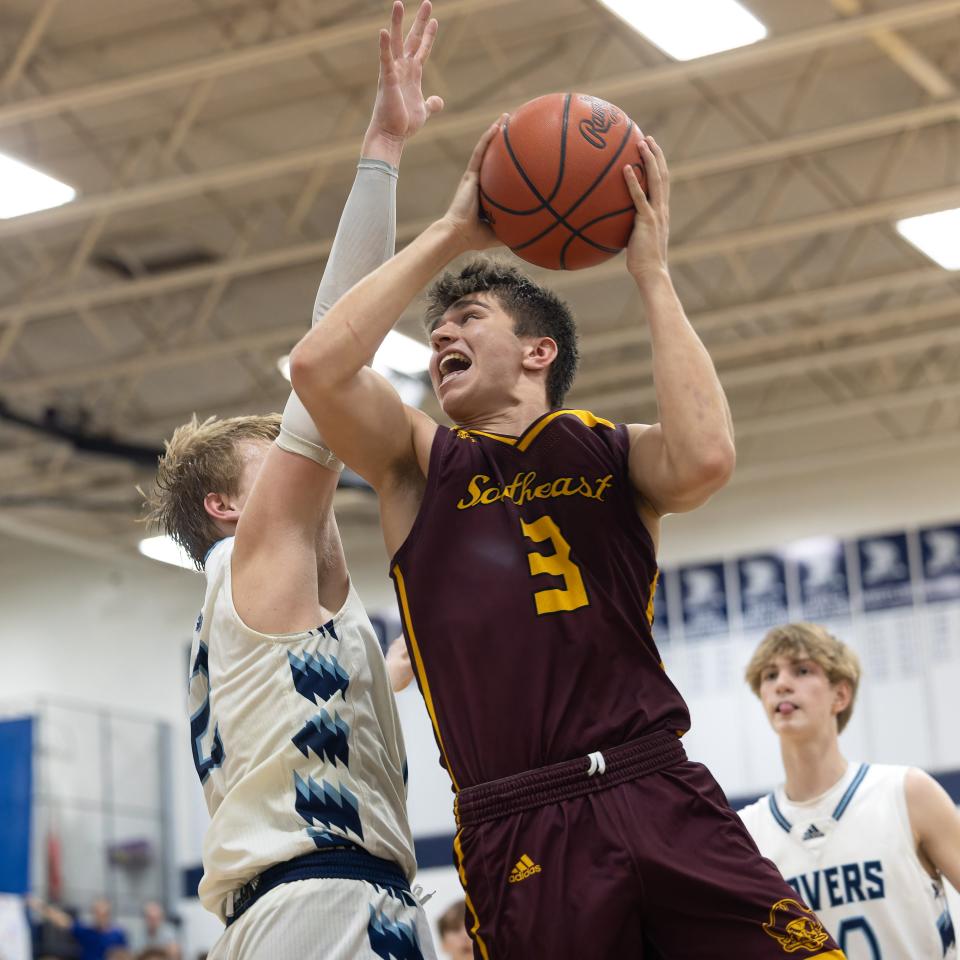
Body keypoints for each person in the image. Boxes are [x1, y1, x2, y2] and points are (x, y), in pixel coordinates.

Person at [288, 114, 844, 957]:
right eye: (439, 330)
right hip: (521, 819)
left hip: (656, 782)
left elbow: (706, 457)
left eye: (468, 318)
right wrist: (450, 233)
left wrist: (651, 273)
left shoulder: (610, 450)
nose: (441, 335)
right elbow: (316, 369)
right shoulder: (419, 463)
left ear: (538, 349)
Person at [141, 3, 443, 957]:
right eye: (274, 448)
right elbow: (328, 346)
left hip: (311, 909)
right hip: (323, 905)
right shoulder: (253, 563)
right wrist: (384, 149)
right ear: (227, 507)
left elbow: (379, 683)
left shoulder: (279, 627)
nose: (305, 449)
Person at [739, 622, 959, 958]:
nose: (782, 684)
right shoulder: (747, 832)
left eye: (801, 670)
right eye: (770, 676)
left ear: (840, 695)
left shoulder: (908, 793)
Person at [28, 897, 127, 960]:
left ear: (109, 915)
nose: (100, 917)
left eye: (104, 914)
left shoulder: (117, 935)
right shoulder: (87, 932)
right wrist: (40, 906)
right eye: (97, 913)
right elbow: (62, 920)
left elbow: (123, 955)